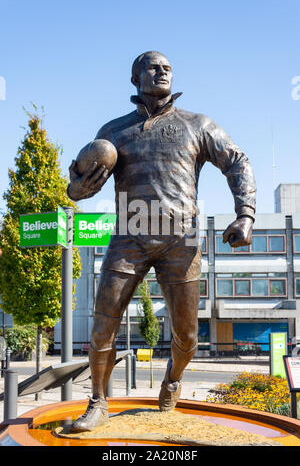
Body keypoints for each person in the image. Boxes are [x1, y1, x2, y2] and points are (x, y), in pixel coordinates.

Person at [67, 51, 256, 432]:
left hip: (180, 240)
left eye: (167, 67)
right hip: (128, 238)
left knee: (186, 336)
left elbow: (237, 161)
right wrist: (78, 188)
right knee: (103, 325)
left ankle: (172, 378)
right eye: (153, 67)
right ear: (136, 79)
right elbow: (75, 183)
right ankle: (98, 402)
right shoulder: (113, 131)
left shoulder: (197, 124)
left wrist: (246, 214)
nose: (162, 71)